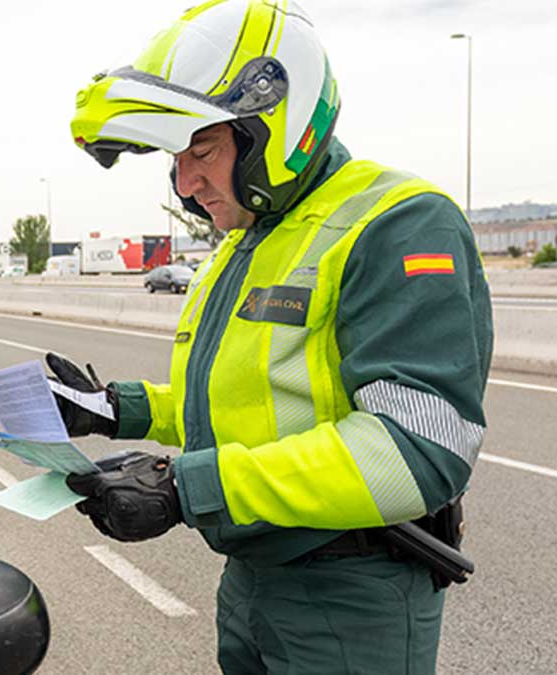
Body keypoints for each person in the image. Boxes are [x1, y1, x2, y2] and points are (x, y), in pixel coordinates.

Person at [55, 2, 493, 672]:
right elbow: (246, 397)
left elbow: (416, 449)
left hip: (351, 594)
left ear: (275, 128)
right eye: (176, 158)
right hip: (256, 578)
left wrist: (185, 485)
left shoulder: (396, 223)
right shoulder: (253, 238)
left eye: (202, 150)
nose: (184, 182)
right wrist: (117, 407)